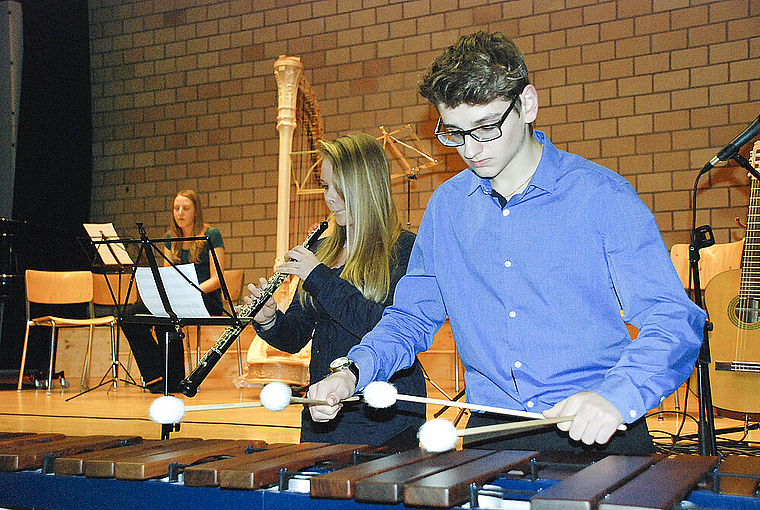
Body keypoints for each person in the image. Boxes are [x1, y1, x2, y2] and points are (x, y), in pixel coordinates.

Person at [306, 32, 706, 455]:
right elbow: (410, 318)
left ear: (527, 105)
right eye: (455, 133)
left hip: (599, 429)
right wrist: (353, 370)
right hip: (493, 437)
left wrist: (618, 394)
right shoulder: (446, 209)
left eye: (487, 127)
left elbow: (673, 320)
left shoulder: (602, 197)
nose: (471, 149)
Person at [247, 132, 426, 449]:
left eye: (335, 187)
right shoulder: (324, 249)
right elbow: (297, 335)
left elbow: (385, 327)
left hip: (385, 417)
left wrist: (317, 276)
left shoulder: (405, 249)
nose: (328, 197)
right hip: (323, 412)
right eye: (325, 186)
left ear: (363, 186)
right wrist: (269, 320)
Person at [121, 189, 225, 393]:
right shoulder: (170, 237)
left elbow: (217, 279)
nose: (180, 213)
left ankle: (174, 377)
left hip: (206, 297)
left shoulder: (211, 234)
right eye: (176, 208)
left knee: (168, 315)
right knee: (129, 316)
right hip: (178, 297)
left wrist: (191, 292)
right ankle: (156, 376)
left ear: (196, 211)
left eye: (185, 208)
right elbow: (167, 277)